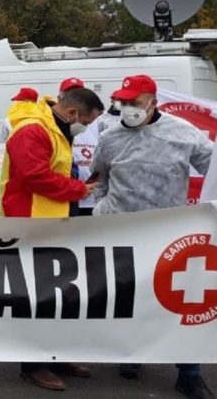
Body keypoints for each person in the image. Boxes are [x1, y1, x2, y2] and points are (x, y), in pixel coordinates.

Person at [90, 75, 212, 399]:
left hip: (168, 232)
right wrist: (101, 209)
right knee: (131, 298)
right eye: (123, 102)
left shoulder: (182, 132)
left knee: (180, 303)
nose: (128, 108)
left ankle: (189, 372)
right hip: (123, 230)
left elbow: (213, 168)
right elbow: (99, 178)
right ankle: (135, 355)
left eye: (135, 102)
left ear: (153, 102)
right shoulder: (110, 137)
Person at [0, 87, 103, 392]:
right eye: (87, 121)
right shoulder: (32, 130)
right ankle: (33, 365)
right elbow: (34, 176)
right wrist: (77, 190)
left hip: (52, 220)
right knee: (39, 297)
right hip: (30, 222)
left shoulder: (55, 127)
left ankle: (55, 356)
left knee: (60, 295)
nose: (87, 128)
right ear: (72, 113)